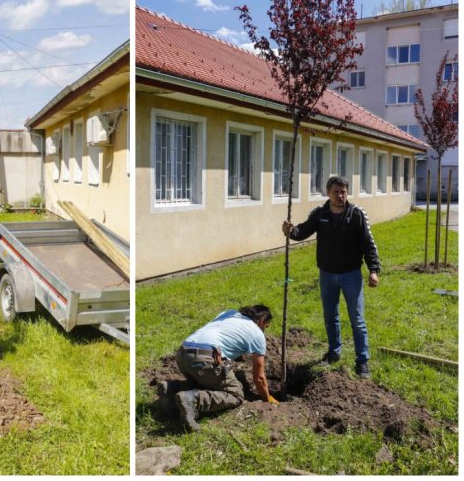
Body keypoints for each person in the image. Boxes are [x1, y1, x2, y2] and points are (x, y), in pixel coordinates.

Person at [282, 175, 380, 379]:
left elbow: (368, 244)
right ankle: (334, 353)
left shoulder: (356, 215)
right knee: (330, 317)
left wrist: (373, 270)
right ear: (328, 193)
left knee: (357, 319)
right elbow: (303, 231)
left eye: (343, 191)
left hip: (351, 275)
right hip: (327, 275)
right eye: (336, 191)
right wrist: (291, 231)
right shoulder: (320, 214)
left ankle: (362, 361)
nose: (340, 195)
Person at [162, 305, 277, 431]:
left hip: (182, 355)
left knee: (210, 383)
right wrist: (267, 399)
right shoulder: (257, 334)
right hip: (205, 358)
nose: (265, 330)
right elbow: (259, 378)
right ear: (261, 321)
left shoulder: (229, 313)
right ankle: (193, 399)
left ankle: (172, 388)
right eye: (266, 326)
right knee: (235, 395)